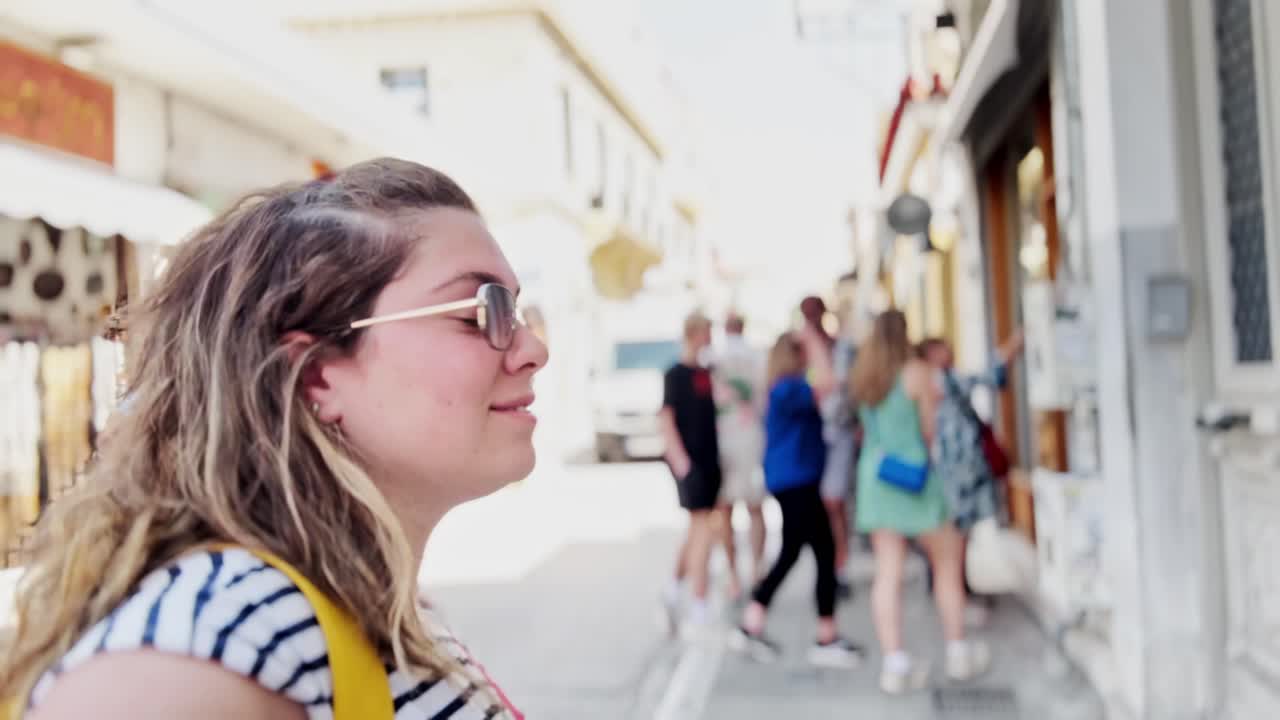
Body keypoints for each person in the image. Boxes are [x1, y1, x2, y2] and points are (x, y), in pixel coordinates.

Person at [0, 159, 543, 719]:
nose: (533, 349)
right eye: (483, 311)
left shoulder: (371, 610)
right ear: (315, 372)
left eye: (515, 308)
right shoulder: (229, 626)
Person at [851, 310, 990, 695]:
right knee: (947, 564)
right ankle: (958, 651)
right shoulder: (917, 373)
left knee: (888, 574)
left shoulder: (865, 376)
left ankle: (895, 665)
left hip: (877, 481)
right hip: (914, 480)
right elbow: (930, 430)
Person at [729, 328, 865, 668]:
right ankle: (822, 634)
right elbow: (829, 383)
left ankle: (758, 622)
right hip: (796, 480)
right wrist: (816, 343)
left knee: (801, 552)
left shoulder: (784, 388)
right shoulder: (788, 389)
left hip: (796, 479)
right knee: (818, 551)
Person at [658, 312, 721, 634]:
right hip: (691, 464)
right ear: (695, 333)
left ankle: (672, 588)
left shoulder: (708, 372)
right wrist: (681, 462)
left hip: (710, 461)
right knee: (703, 531)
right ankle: (699, 601)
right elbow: (666, 419)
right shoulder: (676, 374)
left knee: (697, 530)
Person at [709, 312, 768, 599]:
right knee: (755, 509)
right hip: (751, 437)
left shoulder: (712, 358)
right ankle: (756, 571)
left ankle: (733, 576)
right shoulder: (757, 357)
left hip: (722, 439)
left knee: (724, 511)